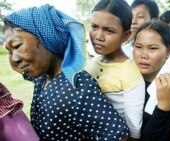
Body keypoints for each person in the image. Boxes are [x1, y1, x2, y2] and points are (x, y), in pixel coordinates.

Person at [3, 4, 129, 141]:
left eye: (17, 46)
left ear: (46, 37)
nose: (14, 58)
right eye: (10, 52)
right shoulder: (43, 78)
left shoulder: (76, 86)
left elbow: (119, 135)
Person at [85, 0, 145, 140]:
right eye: (94, 26)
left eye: (108, 30)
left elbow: (134, 129)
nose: (98, 36)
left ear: (125, 36)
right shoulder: (91, 64)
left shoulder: (131, 75)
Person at [133, 20, 170, 141]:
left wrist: (164, 108)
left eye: (152, 48)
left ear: (169, 51)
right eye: (138, 47)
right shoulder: (124, 78)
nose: (143, 55)